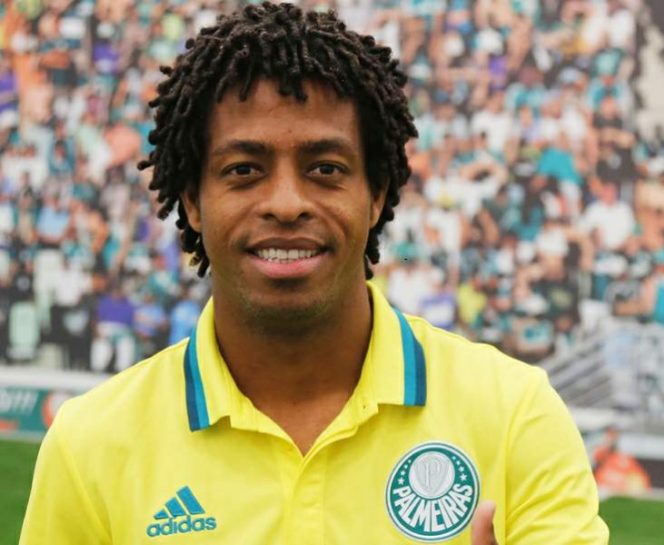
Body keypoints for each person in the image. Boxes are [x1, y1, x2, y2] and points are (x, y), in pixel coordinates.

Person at [20, 3, 608, 544]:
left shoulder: (514, 415)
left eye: (325, 168)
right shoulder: (90, 443)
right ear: (192, 201)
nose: (285, 203)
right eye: (244, 169)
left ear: (376, 195)